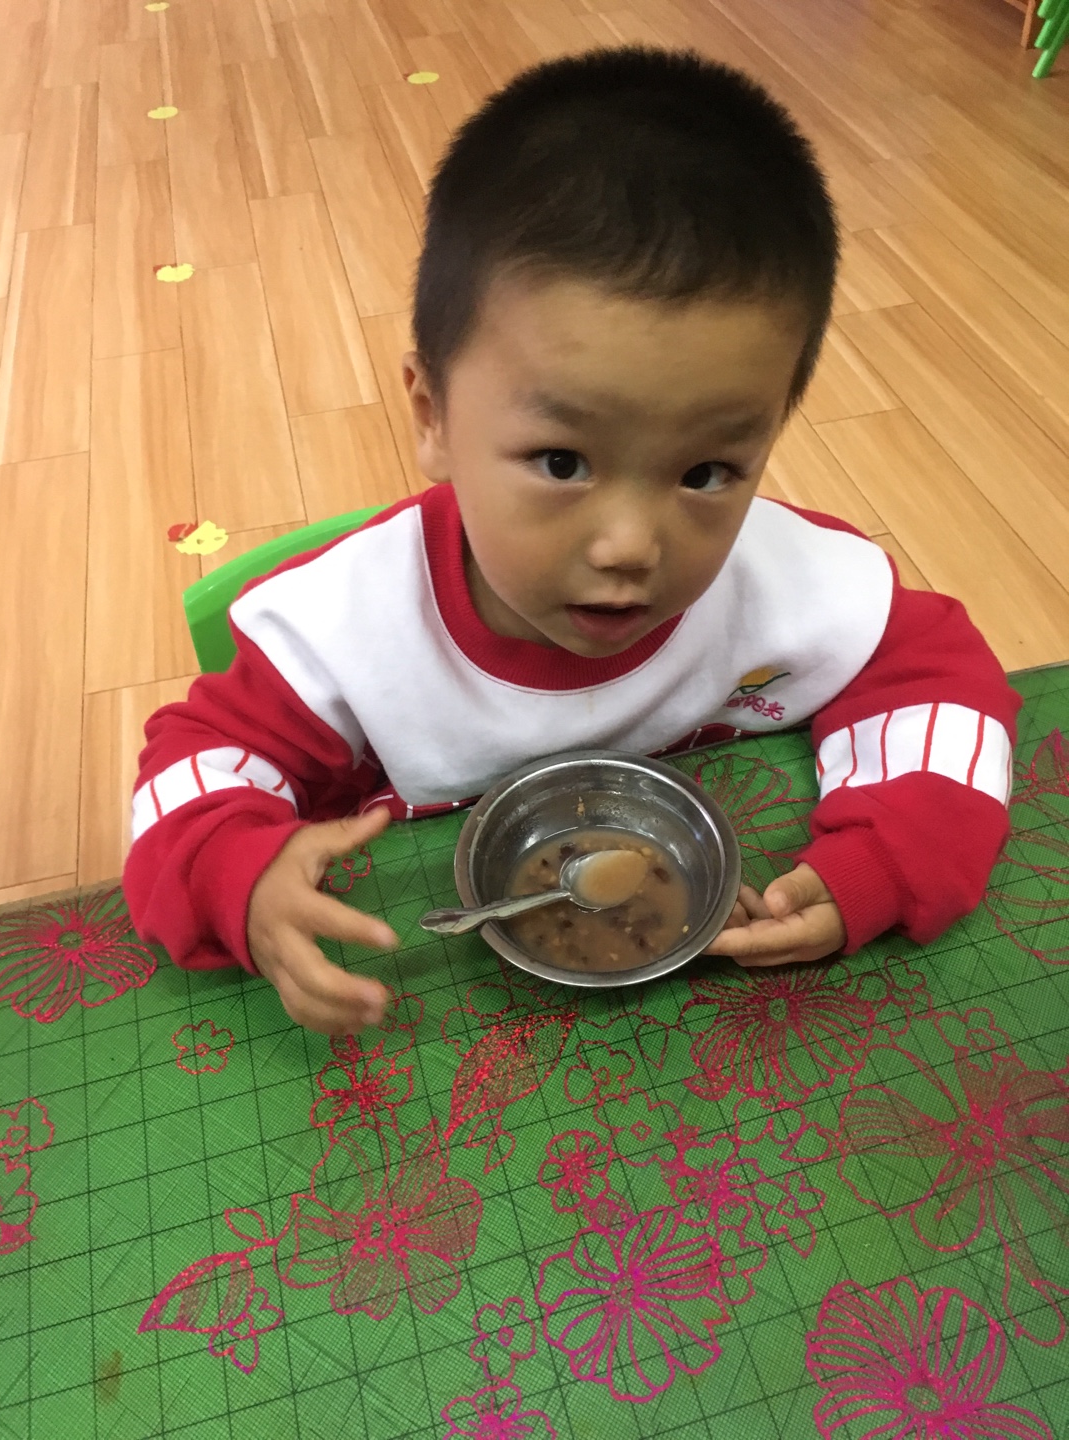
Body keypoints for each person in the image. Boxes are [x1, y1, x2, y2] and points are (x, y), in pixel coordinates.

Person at [123, 48, 1018, 1036]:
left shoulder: (778, 580)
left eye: (706, 471)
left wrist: (885, 858)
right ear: (432, 414)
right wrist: (237, 875)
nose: (631, 545)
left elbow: (939, 677)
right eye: (562, 461)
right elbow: (190, 774)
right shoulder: (349, 627)